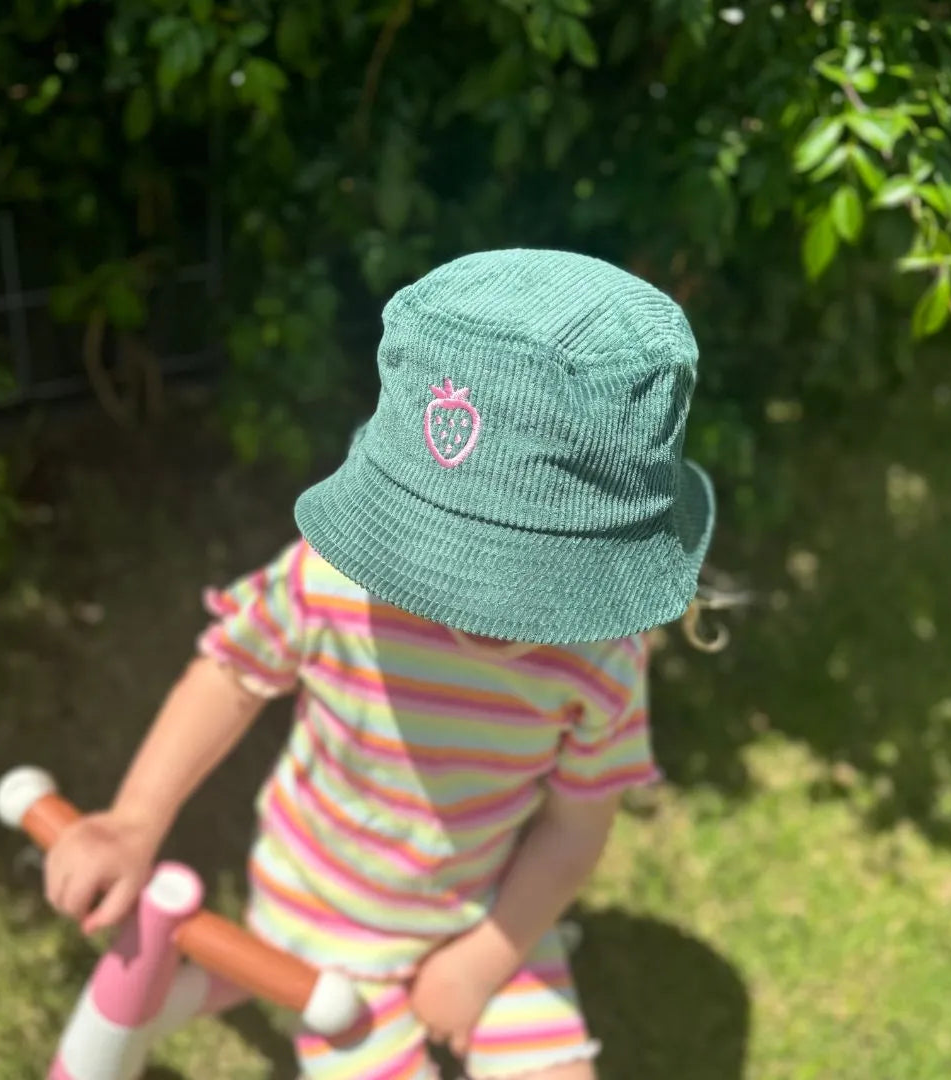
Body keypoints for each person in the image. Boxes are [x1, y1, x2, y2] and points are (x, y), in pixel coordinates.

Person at [45, 249, 718, 1080]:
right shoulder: (330, 583)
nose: (477, 606)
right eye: (454, 560)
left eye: (526, 571)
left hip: (491, 913)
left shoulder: (603, 657)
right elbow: (229, 671)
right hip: (322, 923)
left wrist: (480, 960)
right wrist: (133, 821)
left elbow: (577, 827)